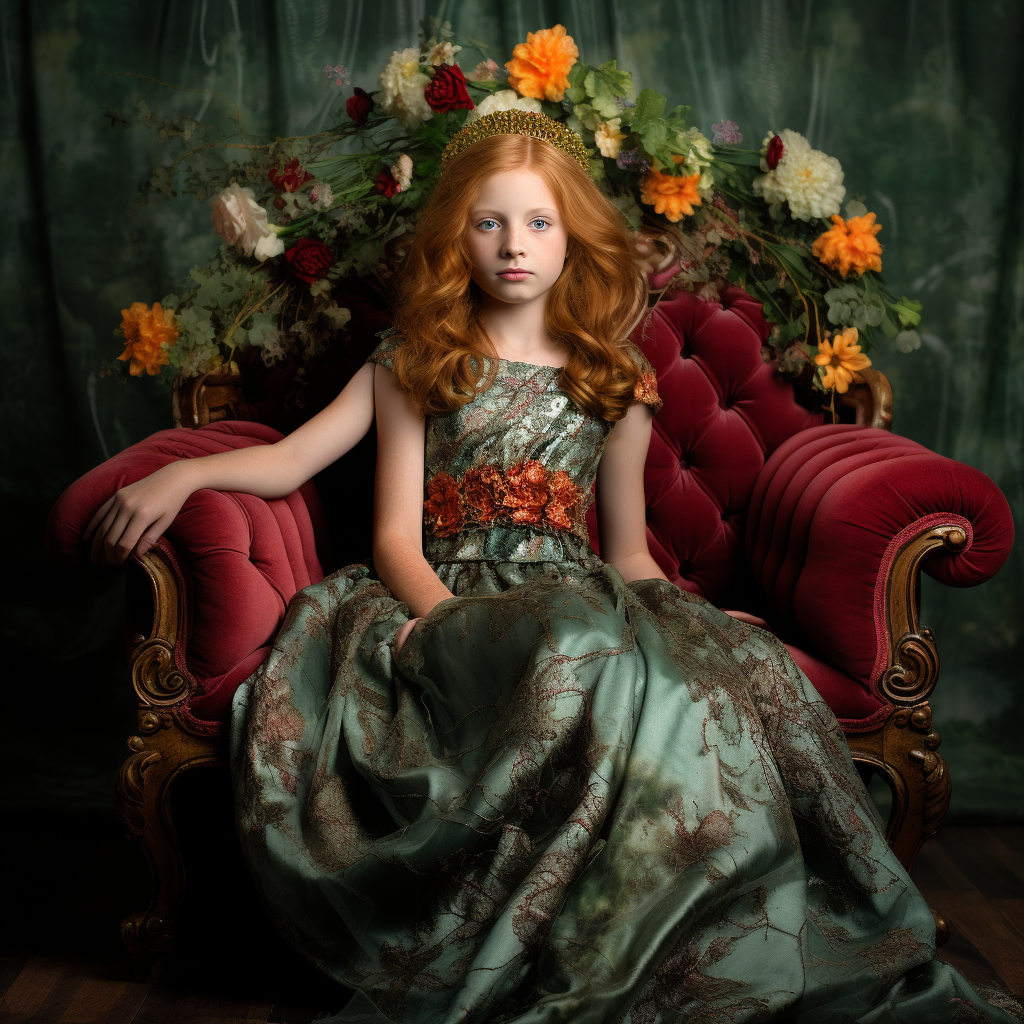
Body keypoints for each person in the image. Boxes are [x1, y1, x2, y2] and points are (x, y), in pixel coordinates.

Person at [87, 112, 1015, 1023]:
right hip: (436, 600)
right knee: (576, 642)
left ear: (574, 239)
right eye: (489, 223)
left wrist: (699, 624)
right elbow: (367, 520)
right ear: (460, 236)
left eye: (538, 223)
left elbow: (627, 553)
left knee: (713, 669)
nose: (513, 245)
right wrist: (190, 470)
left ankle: (659, 941)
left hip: (584, 595)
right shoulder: (417, 362)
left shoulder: (612, 379)